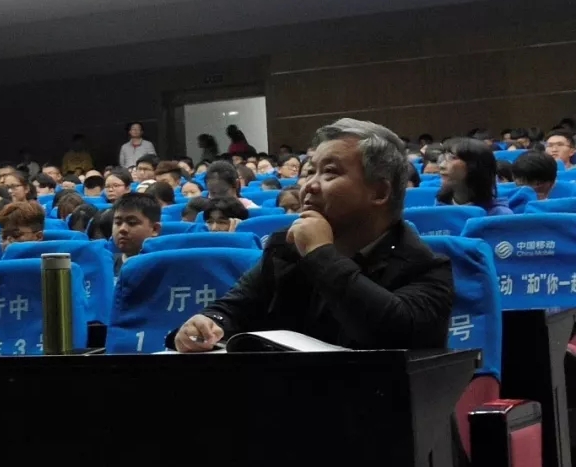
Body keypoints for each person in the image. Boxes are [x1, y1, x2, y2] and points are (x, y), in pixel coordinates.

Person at [170, 118, 454, 352]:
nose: (309, 186)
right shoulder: (287, 248)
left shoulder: (426, 268)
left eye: (329, 173)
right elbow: (234, 307)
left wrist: (320, 253)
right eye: (310, 172)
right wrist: (207, 322)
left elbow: (394, 332)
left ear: (379, 192)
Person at [437, 138, 513, 215]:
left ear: (474, 167)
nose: (441, 166)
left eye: (452, 157)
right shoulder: (439, 207)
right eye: (443, 158)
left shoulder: (499, 214)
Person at [111, 193, 161, 272]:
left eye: (132, 223)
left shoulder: (165, 268)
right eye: (118, 223)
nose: (122, 229)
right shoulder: (105, 266)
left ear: (155, 229)